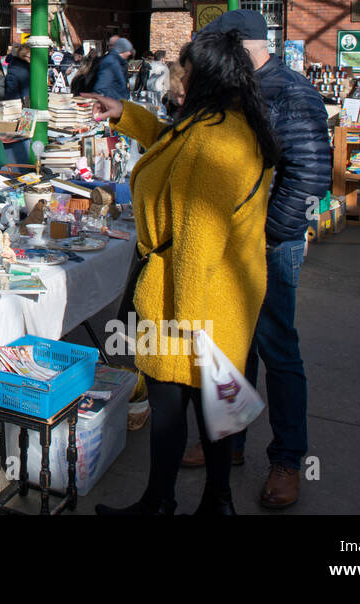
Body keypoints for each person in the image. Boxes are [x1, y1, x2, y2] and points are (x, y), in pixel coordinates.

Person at [85, 28, 280, 516]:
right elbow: (172, 148)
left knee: (175, 407)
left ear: (208, 77)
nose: (180, 81)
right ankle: (213, 502)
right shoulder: (222, 123)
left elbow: (199, 237)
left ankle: (161, 502)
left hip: (190, 294)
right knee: (213, 404)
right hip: (219, 293)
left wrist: (188, 328)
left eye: (188, 72)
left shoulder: (216, 141)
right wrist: (124, 114)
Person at [180, 10, 331, 510]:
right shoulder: (232, 87)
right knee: (231, 346)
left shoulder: (290, 91)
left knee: (277, 348)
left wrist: (271, 232)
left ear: (244, 47)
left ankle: (288, 458)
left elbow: (310, 172)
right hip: (228, 239)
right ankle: (232, 442)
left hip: (267, 244)